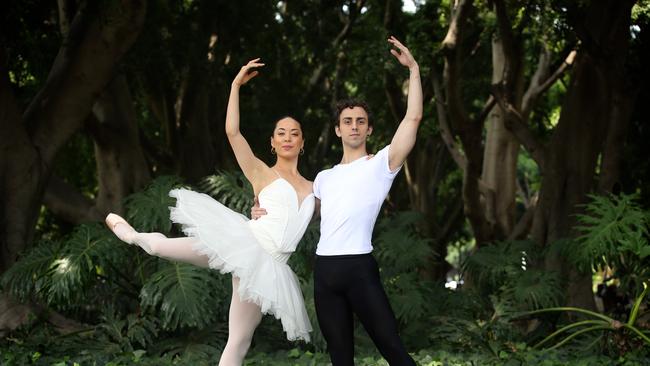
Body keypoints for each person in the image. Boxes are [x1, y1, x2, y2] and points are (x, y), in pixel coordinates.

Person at [105, 59, 314, 366]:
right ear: (272, 142)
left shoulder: (315, 187)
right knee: (161, 246)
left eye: (293, 133)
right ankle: (134, 236)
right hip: (247, 243)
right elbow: (233, 133)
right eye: (280, 133)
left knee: (240, 340)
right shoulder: (261, 173)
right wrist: (235, 86)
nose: (287, 137)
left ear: (302, 142)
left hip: (272, 265)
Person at [252, 36, 421, 366]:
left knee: (392, 347)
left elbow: (412, 120)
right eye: (348, 121)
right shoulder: (324, 179)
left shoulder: (381, 164)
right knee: (340, 357)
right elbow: (298, 214)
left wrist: (413, 70)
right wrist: (262, 210)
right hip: (325, 271)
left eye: (360, 121)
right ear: (338, 130)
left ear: (369, 130)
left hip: (360, 267)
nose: (354, 126)